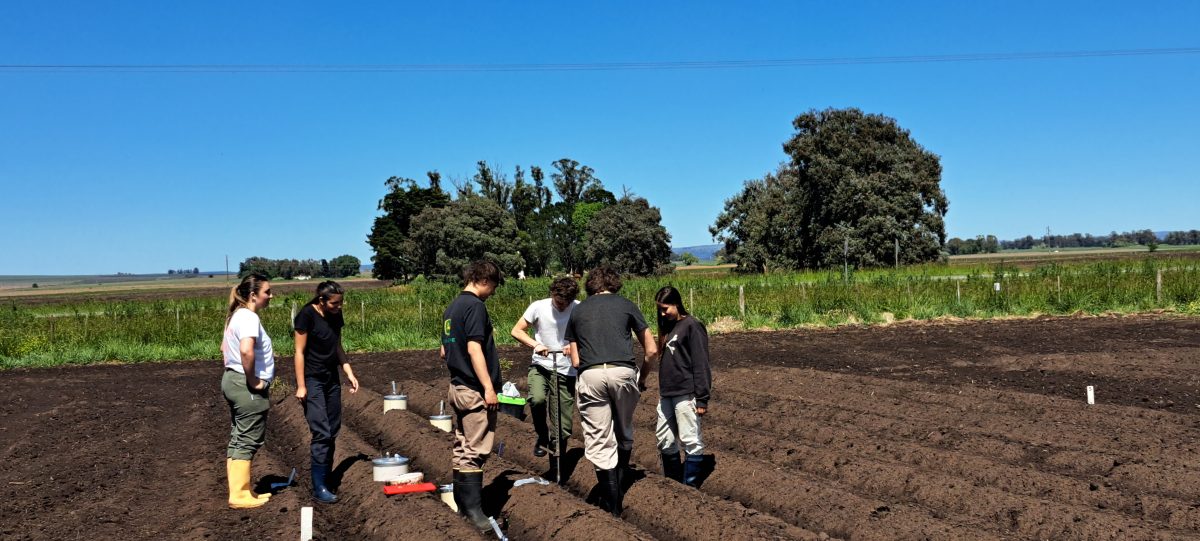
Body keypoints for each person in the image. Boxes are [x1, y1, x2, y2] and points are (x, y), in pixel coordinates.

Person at [565, 266, 657, 516]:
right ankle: (623, 478)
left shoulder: (578, 310)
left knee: (599, 437)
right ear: (614, 284)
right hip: (624, 372)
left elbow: (575, 361)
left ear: (590, 286)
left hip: (592, 373)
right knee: (623, 428)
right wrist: (641, 378)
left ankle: (612, 505)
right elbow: (650, 350)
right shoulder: (627, 305)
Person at [441, 260, 503, 530]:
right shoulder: (475, 306)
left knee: (462, 445)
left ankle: (464, 509)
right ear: (486, 280)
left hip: (457, 386)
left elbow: (444, 351)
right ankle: (474, 513)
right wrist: (488, 388)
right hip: (474, 389)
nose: (493, 292)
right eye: (494, 287)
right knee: (475, 450)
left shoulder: (452, 307)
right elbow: (475, 348)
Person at [293, 280, 360, 504]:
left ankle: (326, 478)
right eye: (334, 303)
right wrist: (301, 385)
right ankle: (319, 486)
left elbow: (337, 346)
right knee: (321, 431)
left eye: (340, 303)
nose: (338, 307)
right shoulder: (306, 315)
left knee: (333, 428)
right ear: (321, 301)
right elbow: (299, 352)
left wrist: (348, 372)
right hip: (313, 380)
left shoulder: (335, 316)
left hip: (331, 378)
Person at [509, 277, 580, 464]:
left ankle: (558, 458)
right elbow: (516, 330)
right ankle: (542, 435)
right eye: (559, 302)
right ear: (552, 295)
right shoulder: (538, 307)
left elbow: (588, 335)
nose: (563, 307)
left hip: (566, 370)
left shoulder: (579, 308)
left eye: (567, 303)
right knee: (537, 399)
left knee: (564, 426)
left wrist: (574, 347)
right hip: (541, 365)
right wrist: (536, 344)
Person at [220, 273, 275, 509]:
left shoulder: (236, 316)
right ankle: (239, 495)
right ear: (253, 295)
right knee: (246, 439)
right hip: (245, 385)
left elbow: (226, 349)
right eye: (267, 292)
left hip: (231, 380)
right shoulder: (249, 318)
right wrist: (253, 381)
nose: (271, 296)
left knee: (238, 437)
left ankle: (240, 491)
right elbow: (246, 351)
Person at [653, 286, 715, 488]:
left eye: (665, 308)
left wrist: (702, 398)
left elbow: (701, 363)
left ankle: (689, 487)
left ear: (677, 304)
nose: (662, 313)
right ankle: (673, 484)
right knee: (665, 439)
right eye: (660, 309)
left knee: (690, 439)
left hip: (685, 392)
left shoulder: (692, 326)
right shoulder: (668, 328)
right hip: (667, 393)